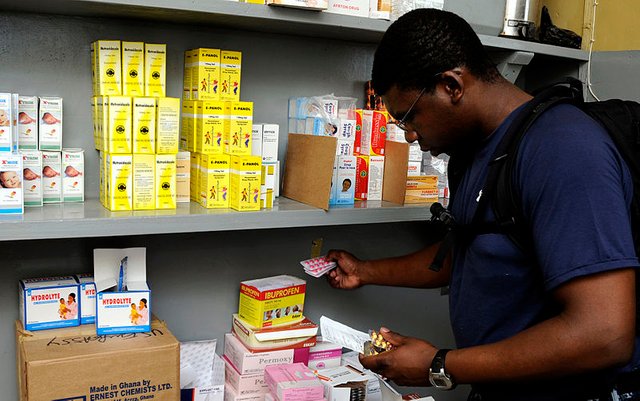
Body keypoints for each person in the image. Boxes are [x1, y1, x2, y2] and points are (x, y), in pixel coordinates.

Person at [327, 8, 639, 401]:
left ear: (451, 86)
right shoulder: (477, 152)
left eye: (408, 117)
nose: (408, 136)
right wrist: (366, 271)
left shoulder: (564, 150)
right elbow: (474, 253)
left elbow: (605, 334)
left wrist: (440, 365)